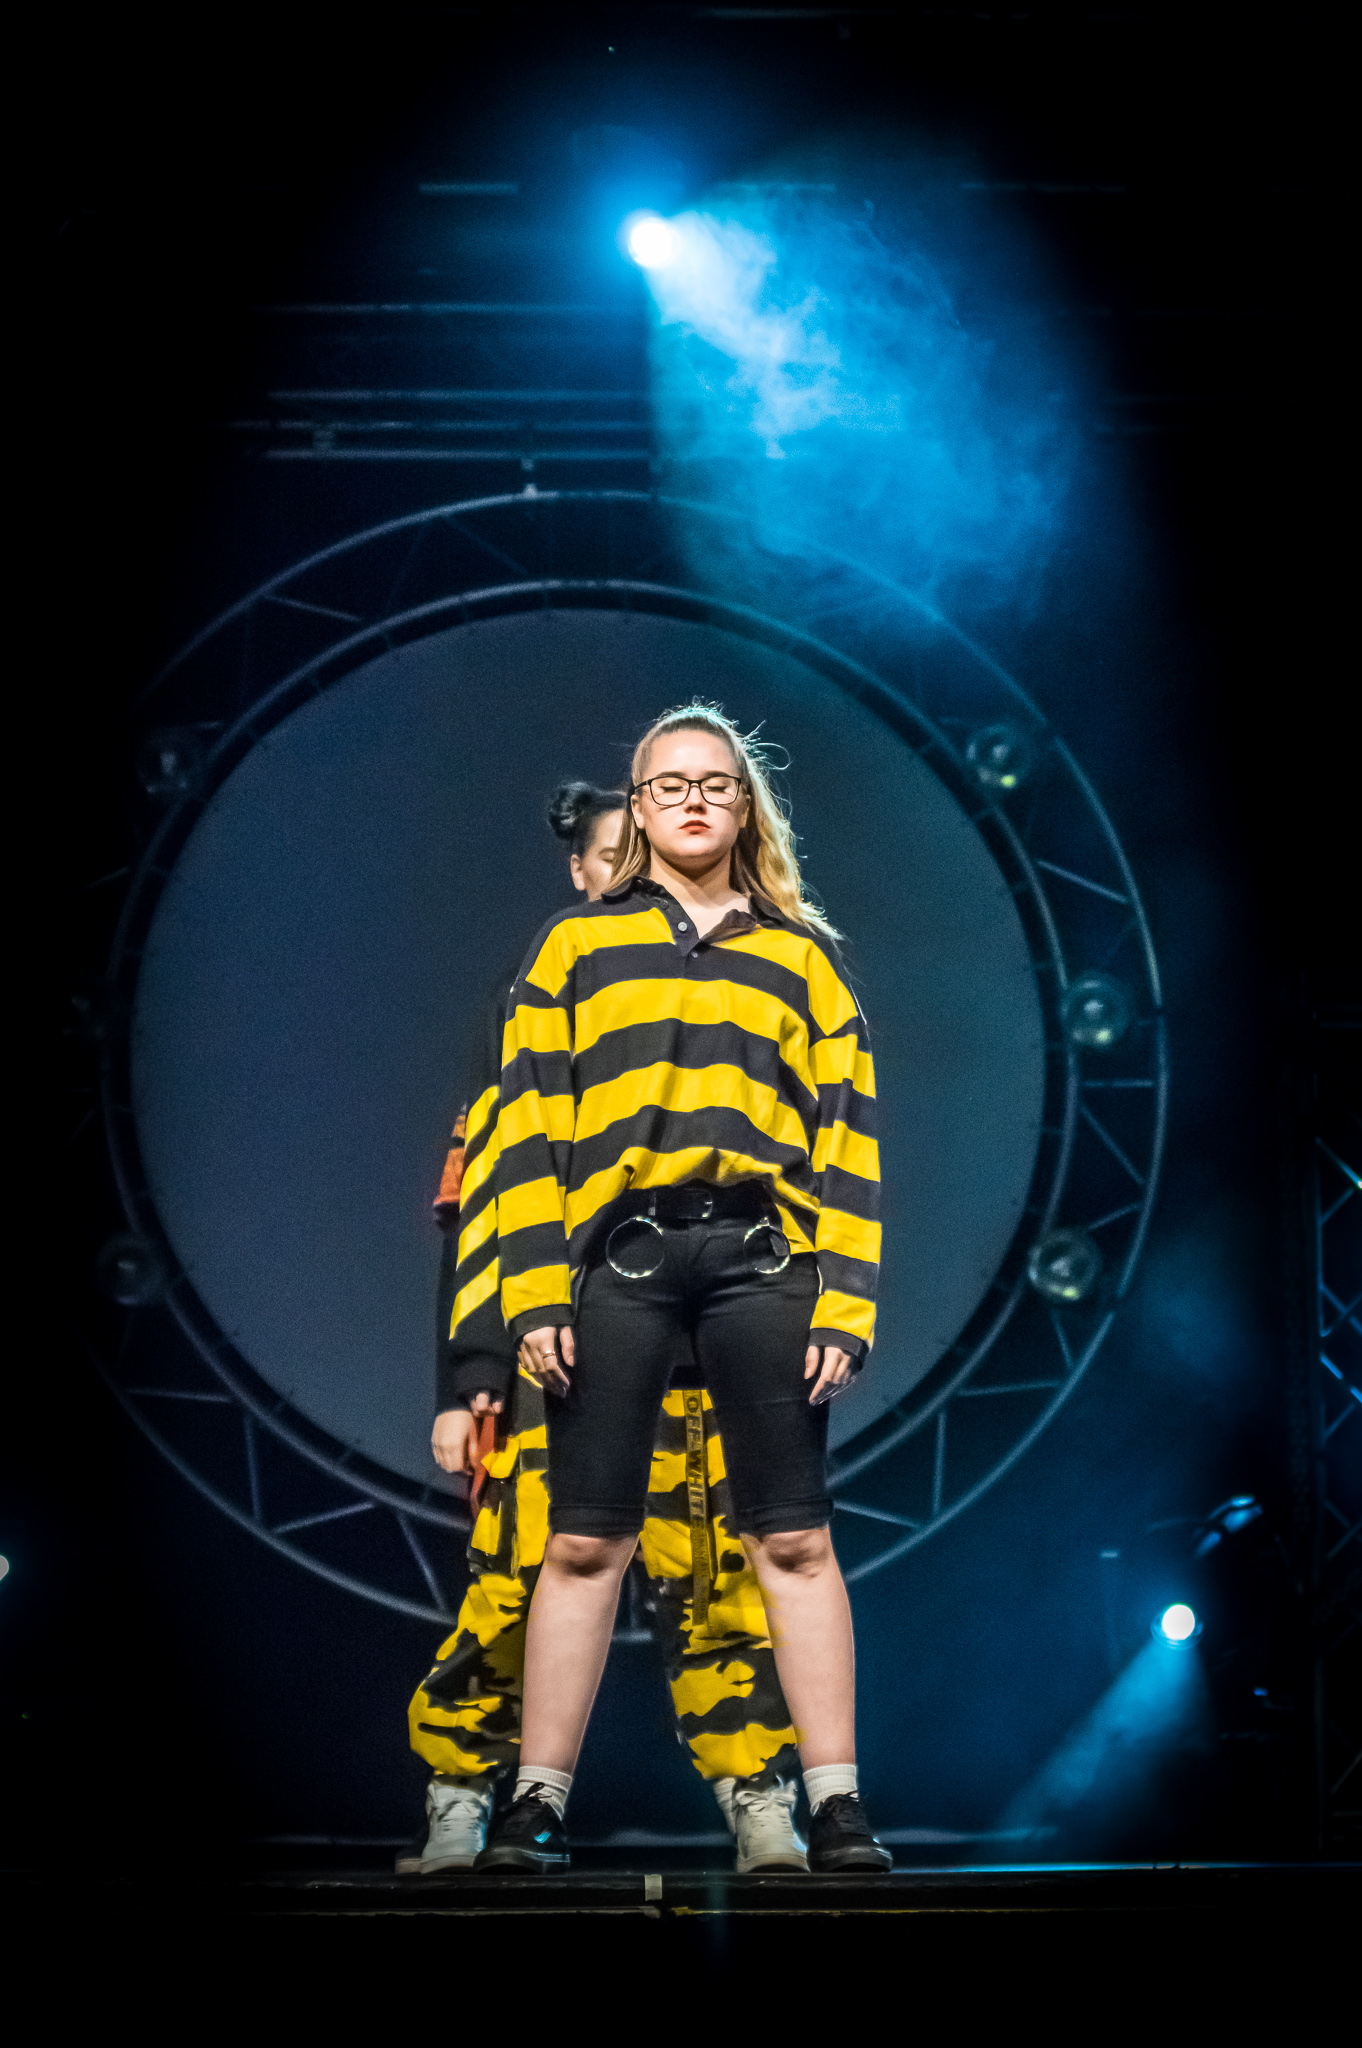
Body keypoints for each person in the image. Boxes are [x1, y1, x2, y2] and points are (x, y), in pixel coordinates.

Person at [476, 703, 890, 1875]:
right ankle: (536, 1804)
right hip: (618, 1264)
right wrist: (533, 1292)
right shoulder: (573, 947)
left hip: (763, 1264)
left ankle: (838, 1804)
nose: (695, 800)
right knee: (583, 1541)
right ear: (642, 806)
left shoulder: (801, 957)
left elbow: (849, 1134)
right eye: (670, 784)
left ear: (744, 806)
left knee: (793, 1537)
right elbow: (529, 1126)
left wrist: (847, 1297)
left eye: (716, 783)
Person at [404, 783, 808, 1874]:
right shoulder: (543, 1013)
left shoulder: (732, 992)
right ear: (582, 875)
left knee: (719, 1575)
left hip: (695, 1353)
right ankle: (465, 1792)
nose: (636, 869)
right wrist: (471, 1374)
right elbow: (490, 1216)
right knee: (519, 1578)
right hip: (560, 1353)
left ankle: (759, 1792)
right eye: (612, 854)